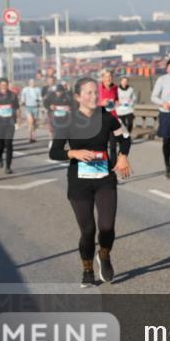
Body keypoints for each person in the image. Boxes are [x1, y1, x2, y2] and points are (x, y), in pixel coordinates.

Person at [49, 76, 132, 287]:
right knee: (87, 231)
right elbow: (54, 152)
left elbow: (125, 137)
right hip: (79, 183)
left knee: (107, 227)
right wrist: (73, 152)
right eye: (89, 93)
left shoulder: (107, 117)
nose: (94, 96)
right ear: (78, 97)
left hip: (104, 179)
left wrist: (123, 156)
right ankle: (87, 270)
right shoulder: (68, 121)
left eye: (96, 92)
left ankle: (104, 255)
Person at [0, 78, 20, 175]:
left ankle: (8, 167)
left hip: (10, 122)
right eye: (2, 85)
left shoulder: (12, 95)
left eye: (5, 85)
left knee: (9, 144)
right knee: (0, 144)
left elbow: (17, 107)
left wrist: (18, 119)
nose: (4, 87)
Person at [98, 70, 119, 161]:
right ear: (102, 78)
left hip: (113, 120)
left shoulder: (115, 88)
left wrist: (118, 103)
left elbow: (117, 100)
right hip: (101, 120)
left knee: (113, 147)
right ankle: (104, 167)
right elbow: (90, 103)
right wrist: (101, 103)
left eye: (110, 76)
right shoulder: (97, 89)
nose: (109, 78)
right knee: (102, 147)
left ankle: (112, 169)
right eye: (106, 76)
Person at [19, 79, 42, 143]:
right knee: (30, 122)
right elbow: (22, 97)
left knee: (34, 123)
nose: (32, 83)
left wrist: (39, 100)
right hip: (28, 107)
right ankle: (30, 136)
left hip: (35, 107)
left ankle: (33, 136)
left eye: (33, 82)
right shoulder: (25, 89)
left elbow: (40, 97)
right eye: (31, 82)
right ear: (29, 83)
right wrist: (22, 102)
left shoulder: (38, 89)